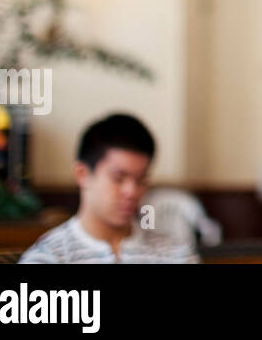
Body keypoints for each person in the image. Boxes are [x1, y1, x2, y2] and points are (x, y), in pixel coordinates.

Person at [18, 113, 199, 264]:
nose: (131, 191)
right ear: (83, 174)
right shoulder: (49, 257)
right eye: (118, 178)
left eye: (141, 180)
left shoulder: (176, 255)